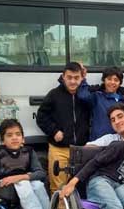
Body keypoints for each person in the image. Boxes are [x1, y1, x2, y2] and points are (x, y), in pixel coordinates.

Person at [36, 62, 91, 193]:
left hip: (81, 149)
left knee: (81, 187)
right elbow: (41, 116)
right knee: (58, 188)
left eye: (76, 77)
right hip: (59, 148)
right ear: (63, 77)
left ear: (82, 78)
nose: (73, 81)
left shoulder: (86, 96)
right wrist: (54, 131)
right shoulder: (54, 94)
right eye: (69, 77)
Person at [77, 66, 124, 141]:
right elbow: (83, 96)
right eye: (109, 79)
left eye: (116, 80)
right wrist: (83, 79)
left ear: (120, 83)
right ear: (104, 80)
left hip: (117, 142)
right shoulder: (97, 96)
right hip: (97, 140)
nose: (112, 82)